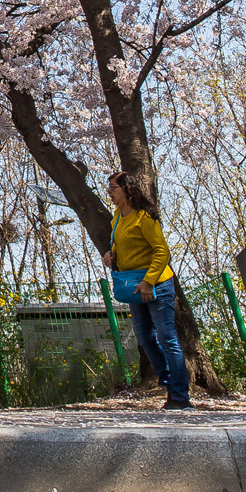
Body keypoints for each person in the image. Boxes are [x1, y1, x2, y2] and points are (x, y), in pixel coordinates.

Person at [98, 170, 190, 410]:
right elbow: (122, 244)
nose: (109, 192)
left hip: (155, 283)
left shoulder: (144, 217)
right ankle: (168, 383)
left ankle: (180, 396)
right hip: (133, 286)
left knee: (167, 338)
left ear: (127, 189)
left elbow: (162, 251)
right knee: (145, 339)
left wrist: (149, 281)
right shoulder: (117, 217)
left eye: (113, 188)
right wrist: (111, 254)